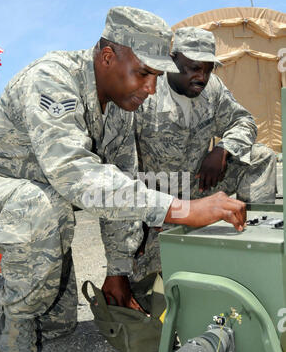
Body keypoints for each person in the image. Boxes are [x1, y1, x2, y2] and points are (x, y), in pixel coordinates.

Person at [0, 9, 246, 352]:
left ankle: (2, 291)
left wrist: (118, 271)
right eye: (143, 73)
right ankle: (13, 339)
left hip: (39, 208)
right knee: (41, 207)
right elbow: (77, 176)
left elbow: (122, 187)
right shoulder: (52, 79)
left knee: (58, 326)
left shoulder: (120, 111)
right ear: (107, 57)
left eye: (157, 77)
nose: (149, 87)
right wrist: (182, 209)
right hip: (2, 198)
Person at [101, 26, 276, 295]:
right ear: (172, 61)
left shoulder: (212, 89)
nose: (201, 77)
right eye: (193, 68)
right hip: (157, 201)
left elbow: (244, 121)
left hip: (199, 185)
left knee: (261, 156)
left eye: (208, 69)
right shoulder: (144, 91)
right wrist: (121, 260)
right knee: (150, 286)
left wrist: (223, 149)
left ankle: (255, 242)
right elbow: (117, 175)